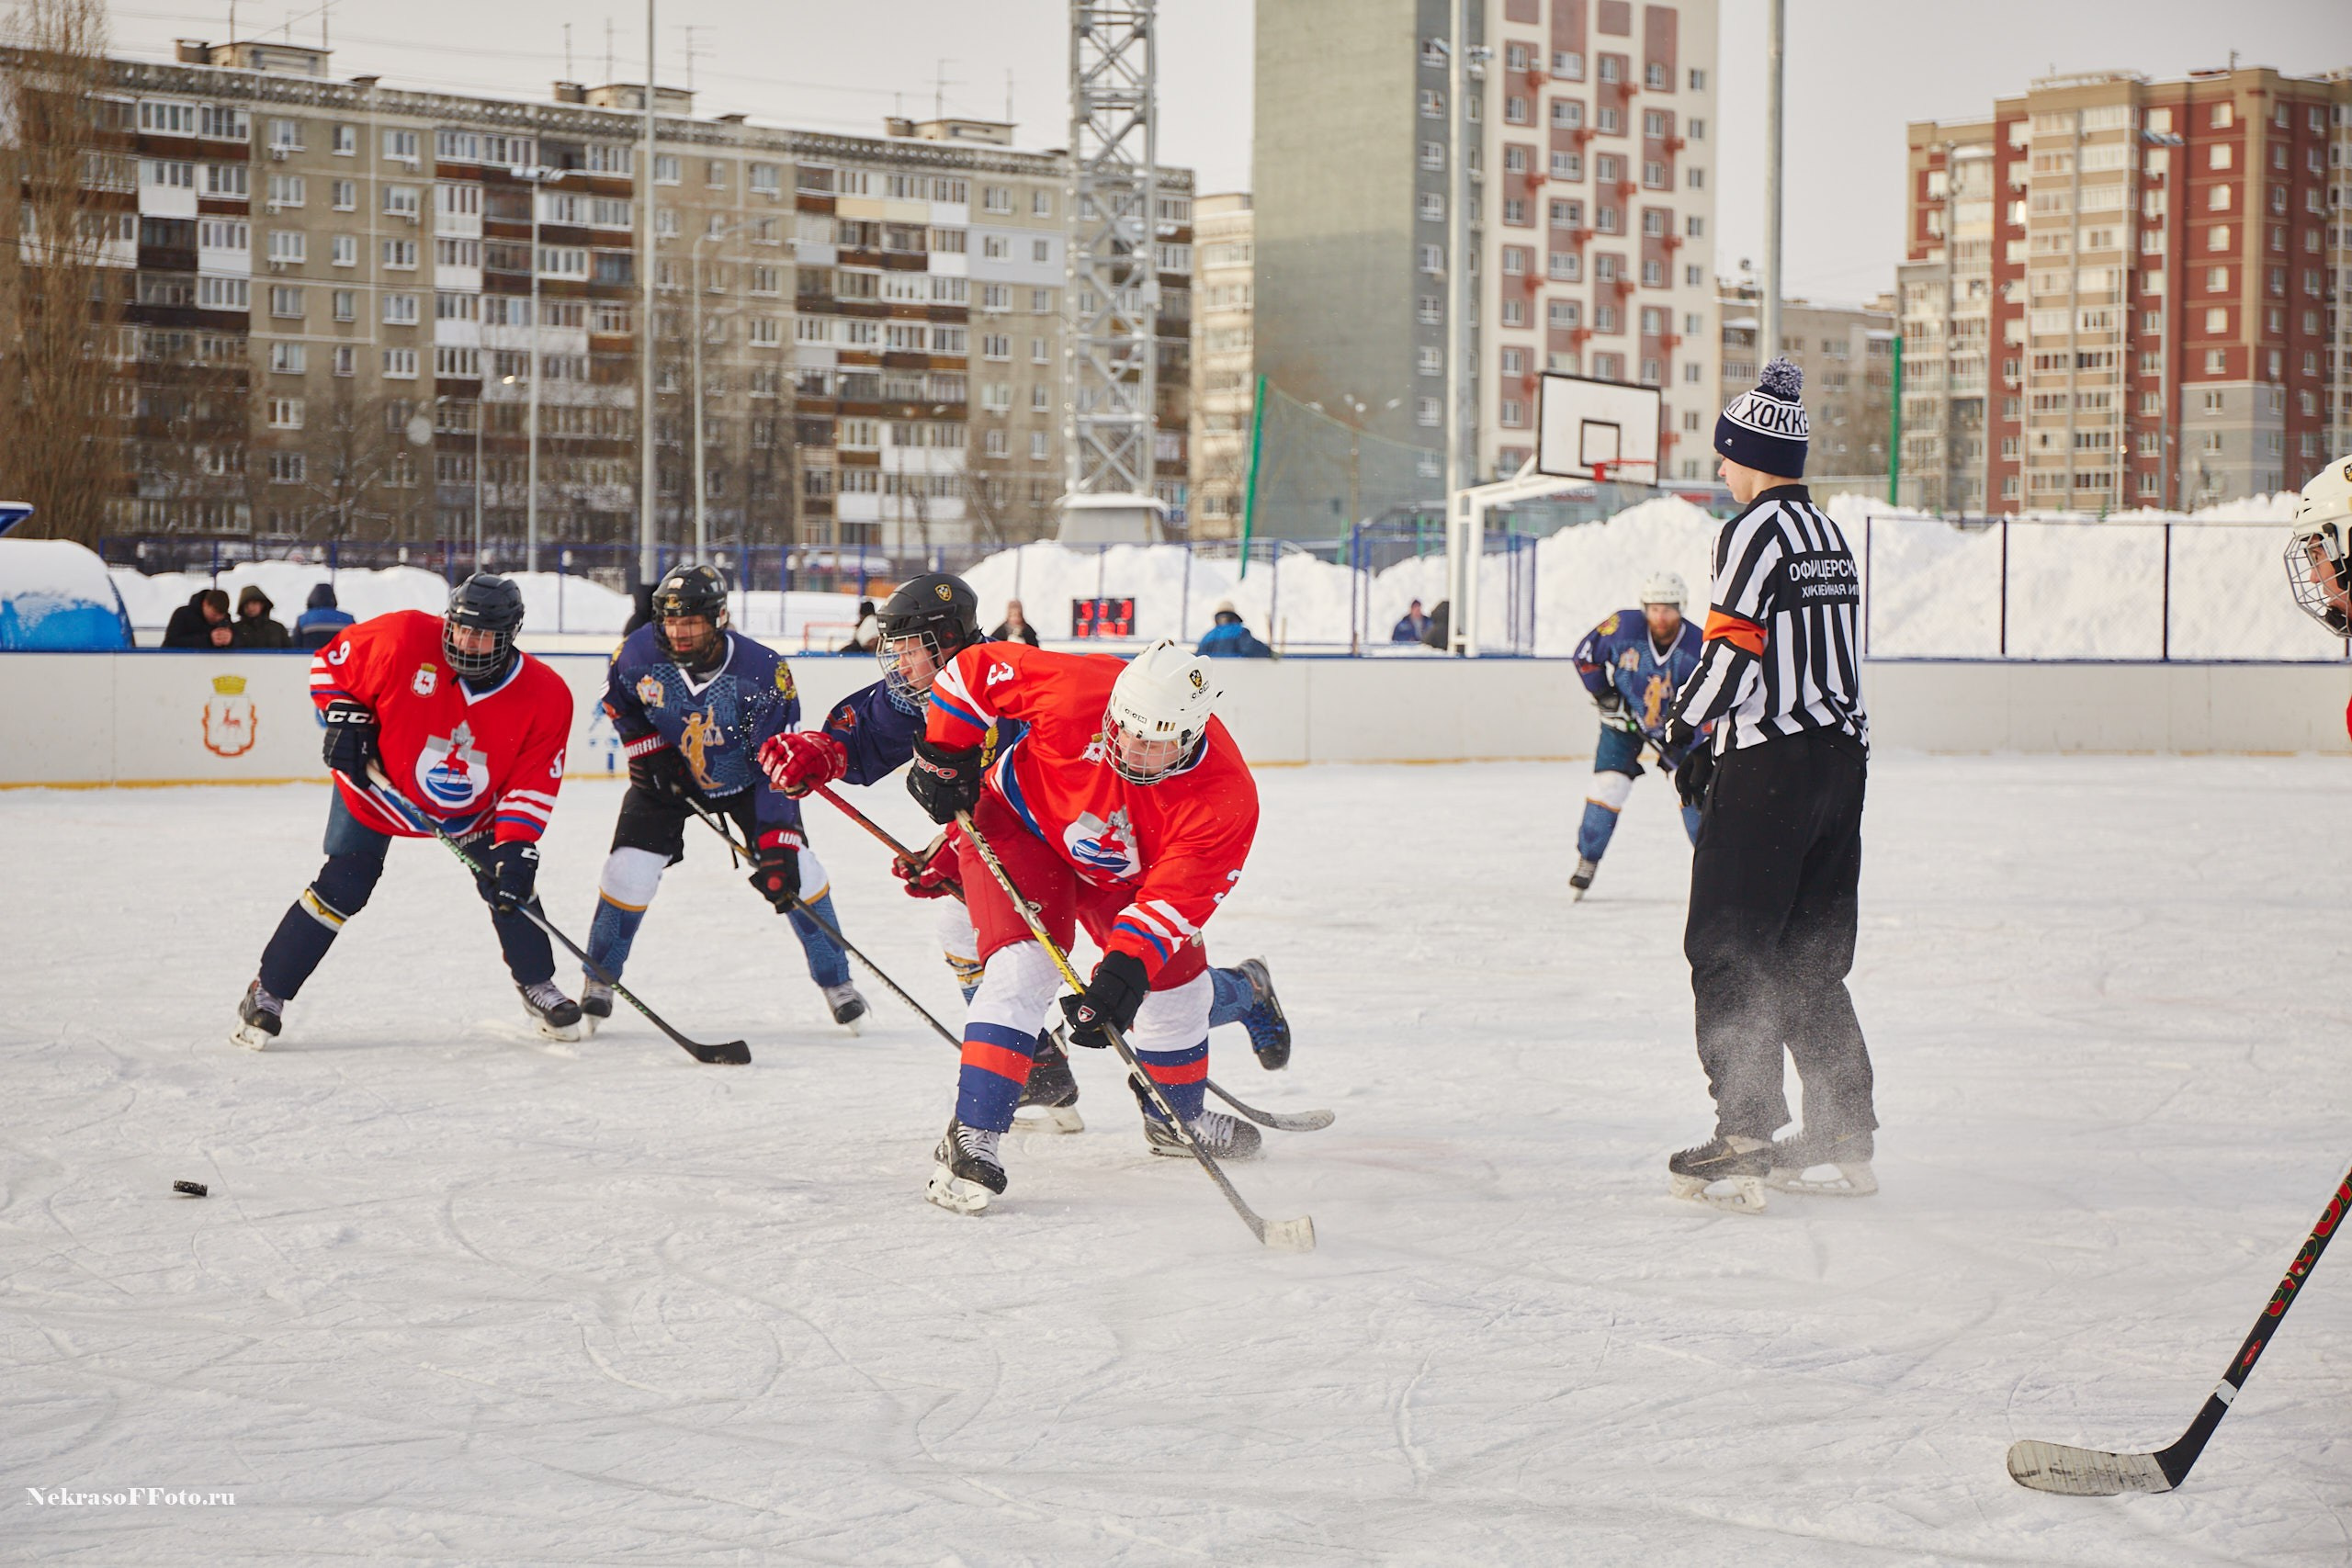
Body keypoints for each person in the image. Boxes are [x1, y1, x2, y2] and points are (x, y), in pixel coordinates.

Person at [756, 574, 1295, 1131]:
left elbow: (1032, 782)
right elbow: (870, 732)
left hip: (1112, 852)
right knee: (968, 933)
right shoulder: (922, 693)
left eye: (912, 650)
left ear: (948, 641)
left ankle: (1244, 991)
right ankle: (1038, 1061)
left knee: (1160, 994)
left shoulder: (1024, 687)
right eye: (894, 651)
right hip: (1032, 843)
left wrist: (951, 846)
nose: (900, 665)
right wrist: (820, 752)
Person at [902, 637, 1267, 1214]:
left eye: (1152, 742)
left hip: (1122, 873)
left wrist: (1121, 978)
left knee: (1178, 993)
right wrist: (945, 756)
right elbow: (971, 673)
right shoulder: (1079, 690)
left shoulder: (1225, 798)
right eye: (1123, 728)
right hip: (1020, 828)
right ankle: (971, 1138)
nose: (1128, 748)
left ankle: (1175, 1117)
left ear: (1192, 733)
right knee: (1025, 967)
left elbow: (1170, 903)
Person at [1657, 356, 1874, 1212]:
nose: (1719, 469)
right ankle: (1842, 1129)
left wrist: (1682, 728)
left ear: (1749, 451)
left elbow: (1735, 648)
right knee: (1808, 959)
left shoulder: (1749, 532)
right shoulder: (1829, 534)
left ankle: (1744, 1131)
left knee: (1728, 946)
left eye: (1724, 454)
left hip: (1774, 771)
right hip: (1841, 766)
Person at [232, 574, 582, 1048]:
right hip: (378, 791)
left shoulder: (547, 694)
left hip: (472, 811)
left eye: (482, 636)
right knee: (343, 885)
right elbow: (329, 667)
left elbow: (533, 779)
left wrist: (517, 844)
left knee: (509, 883)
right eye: (460, 629)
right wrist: (343, 714)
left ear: (509, 636)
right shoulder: (403, 638)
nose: (466, 643)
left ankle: (537, 983)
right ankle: (267, 991)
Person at [583, 564, 866, 1033]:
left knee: (800, 870)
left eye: (691, 621)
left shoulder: (763, 671)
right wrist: (648, 752)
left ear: (719, 618)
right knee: (625, 872)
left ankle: (837, 982)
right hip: (668, 779)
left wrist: (777, 841)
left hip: (750, 782)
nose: (680, 633)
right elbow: (619, 701)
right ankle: (598, 982)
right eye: (671, 621)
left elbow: (779, 762)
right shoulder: (636, 655)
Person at [1566, 573, 1706, 900]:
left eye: (1668, 609)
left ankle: (1708, 868)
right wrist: (1605, 695)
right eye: (1655, 608)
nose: (1661, 617)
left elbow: (1710, 694)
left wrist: (1692, 733)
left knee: (1690, 790)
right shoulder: (1623, 628)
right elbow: (1585, 657)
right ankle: (1588, 858)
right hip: (1623, 721)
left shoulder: (1697, 645)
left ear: (1681, 608)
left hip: (1678, 730)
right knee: (1609, 786)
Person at [1194, 601, 1272, 659]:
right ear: (1234, 616)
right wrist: (1269, 652)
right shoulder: (1239, 632)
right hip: (1237, 677)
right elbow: (1251, 648)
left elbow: (1200, 660)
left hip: (1214, 678)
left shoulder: (1207, 637)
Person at [162, 588, 233, 649]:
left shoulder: (225, 620)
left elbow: (239, 639)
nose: (217, 619)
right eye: (214, 615)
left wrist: (231, 639)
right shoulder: (182, 614)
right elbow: (172, 641)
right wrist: (208, 640)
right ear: (205, 604)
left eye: (221, 616)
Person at [294, 583, 356, 650]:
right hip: (339, 658)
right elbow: (356, 642)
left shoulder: (303, 620)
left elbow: (296, 645)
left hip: (311, 658)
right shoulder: (348, 619)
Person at [232, 585, 290, 649]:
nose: (250, 608)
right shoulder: (235, 629)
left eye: (254, 603)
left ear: (262, 605)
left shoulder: (278, 628)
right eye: (246, 605)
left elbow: (291, 653)